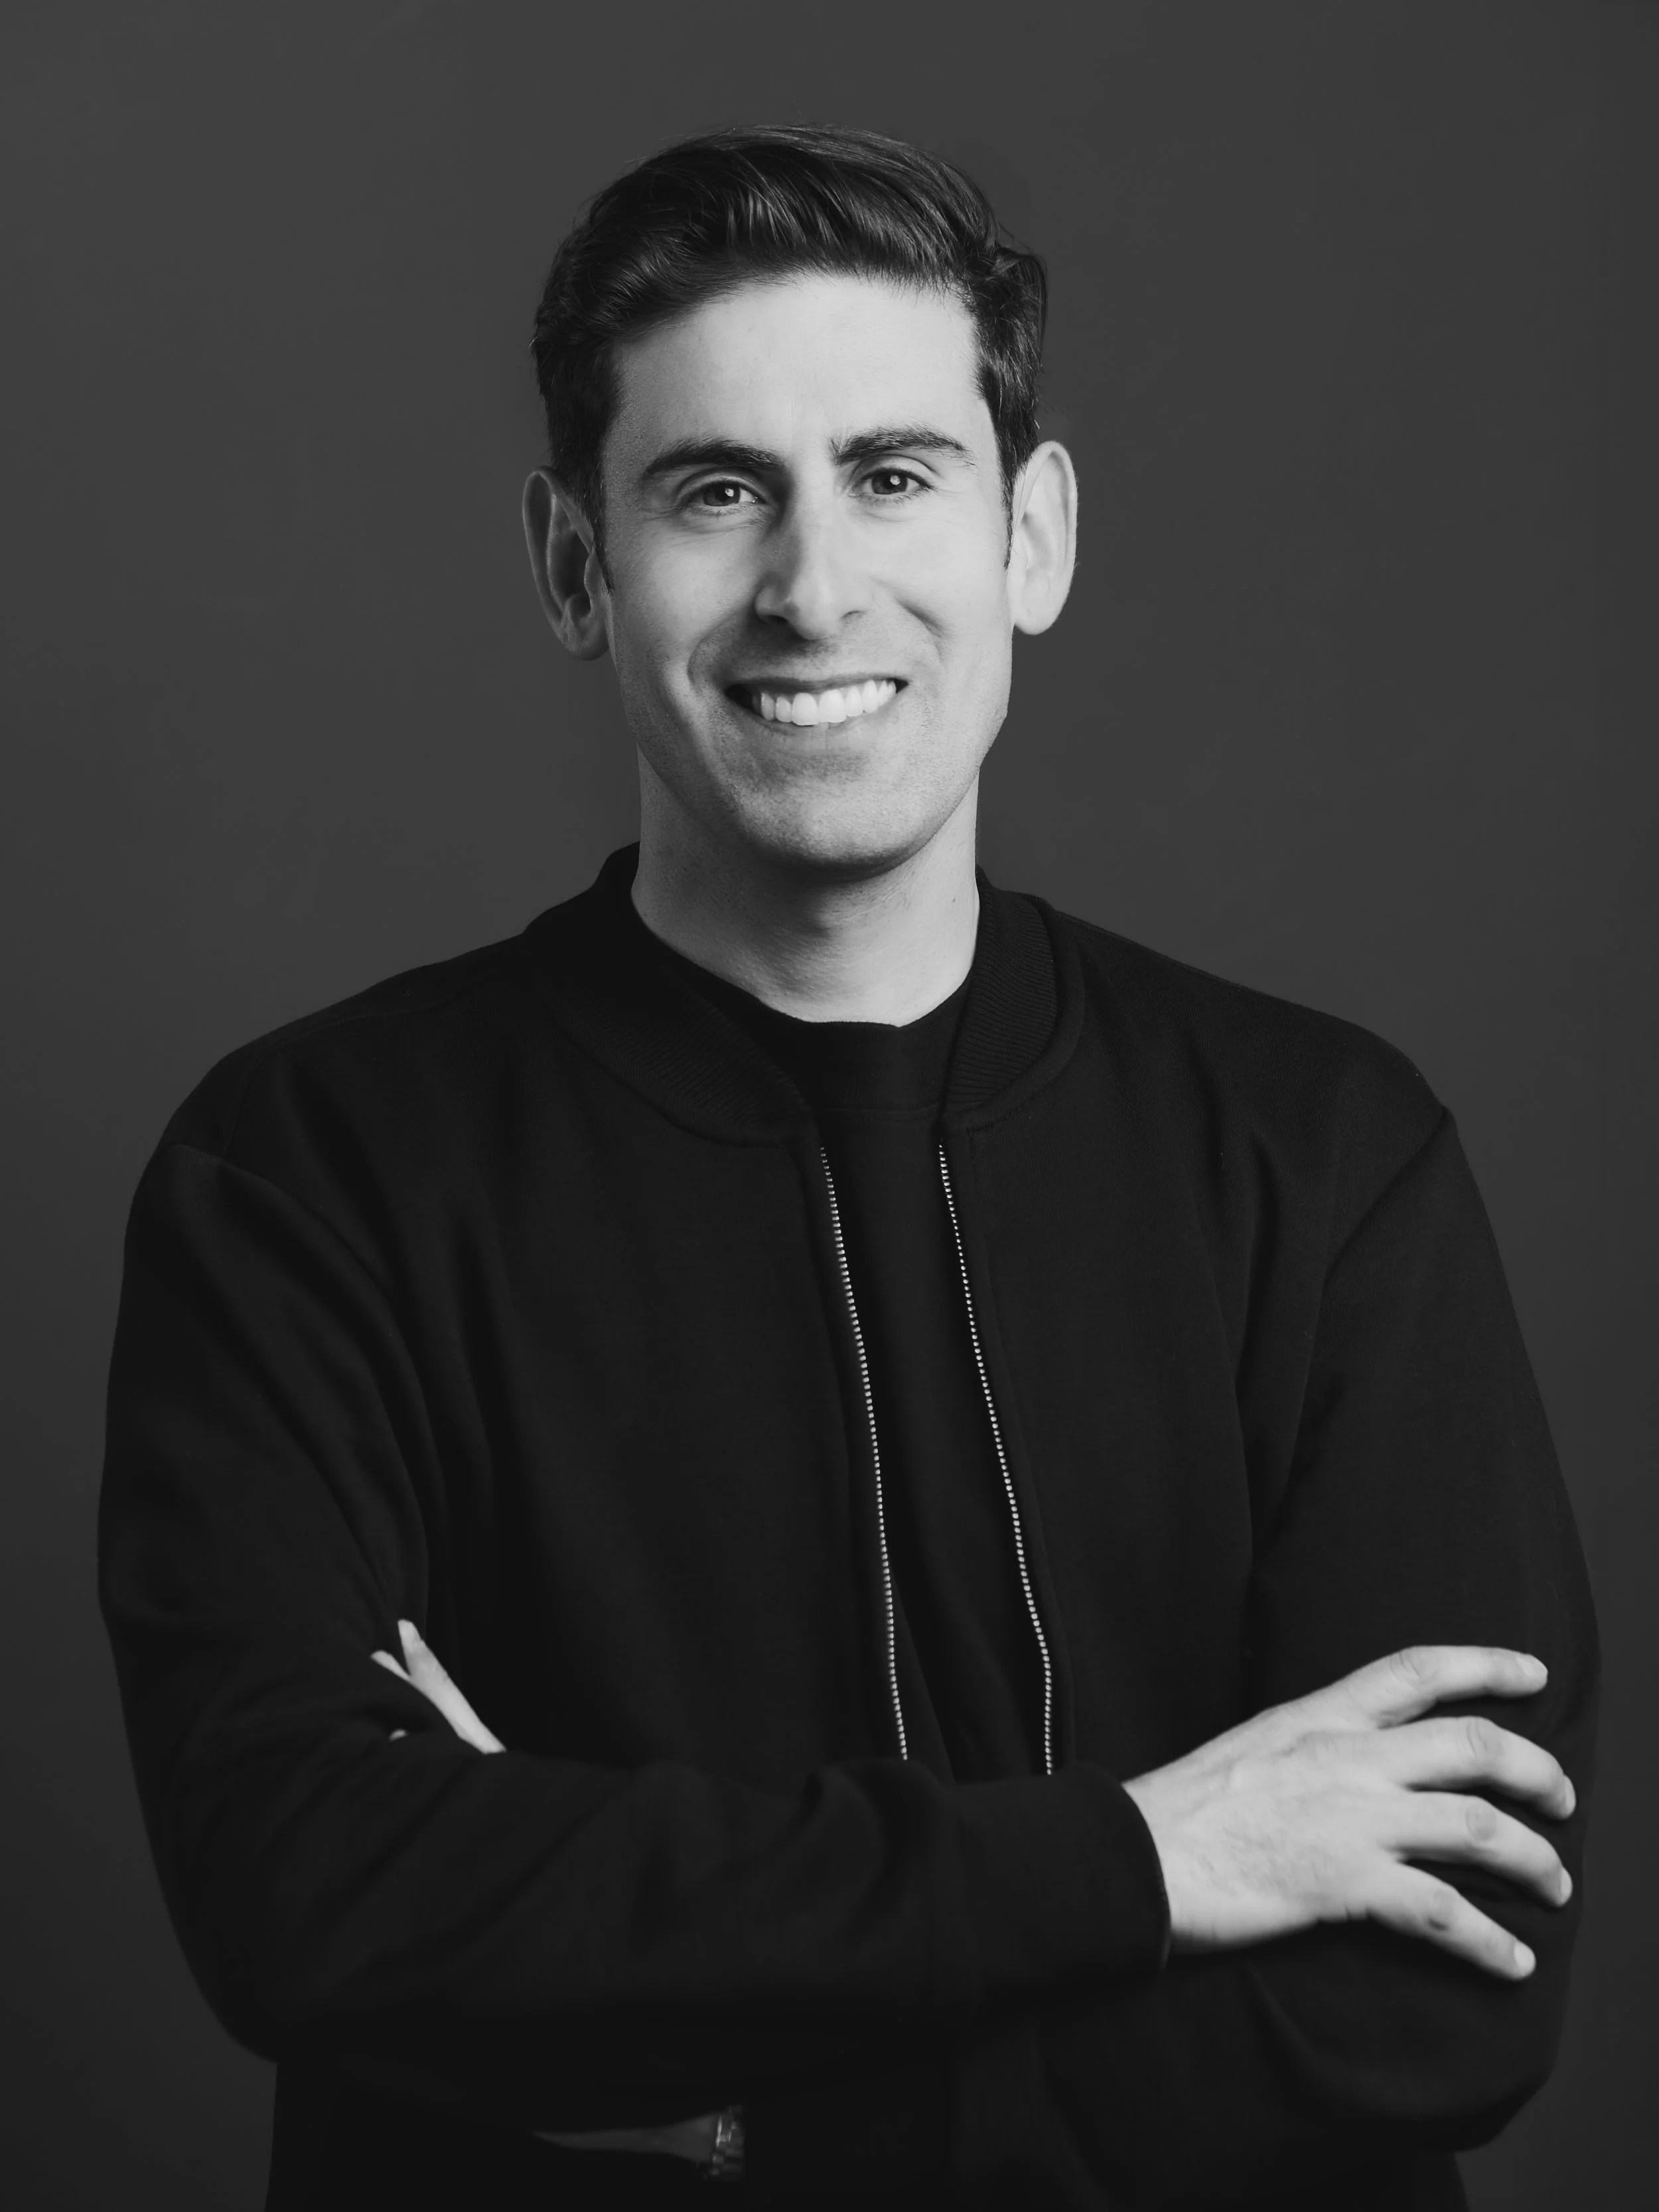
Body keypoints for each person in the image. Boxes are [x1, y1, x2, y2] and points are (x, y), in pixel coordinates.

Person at [100, 125, 1597, 2211]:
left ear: (1029, 537)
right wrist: (1150, 1857)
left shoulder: (1324, 1149)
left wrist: (731, 2109)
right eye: (716, 492)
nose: (813, 587)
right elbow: (314, 1893)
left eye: (894, 476)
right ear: (572, 564)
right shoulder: (312, 1169)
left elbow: (1442, 1982)